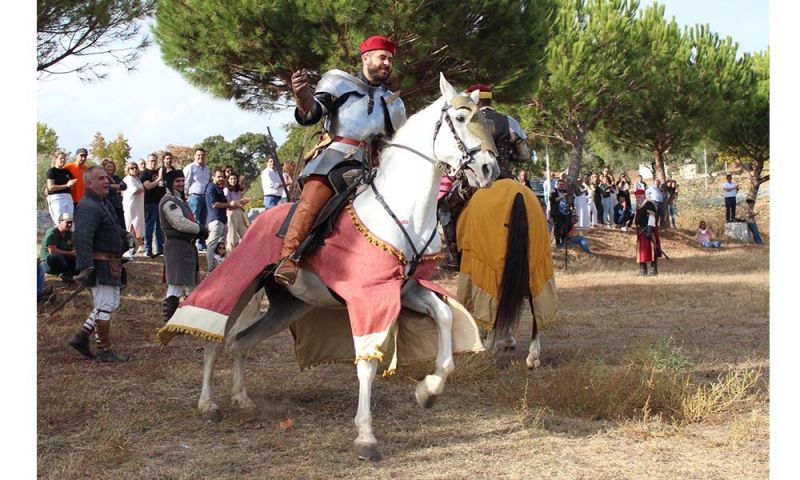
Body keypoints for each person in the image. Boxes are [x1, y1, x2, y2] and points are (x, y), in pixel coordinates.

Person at [275, 35, 406, 286]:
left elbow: (392, 145)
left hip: (370, 167)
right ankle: (289, 258)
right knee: (313, 199)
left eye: (390, 59)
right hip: (334, 159)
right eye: (382, 57)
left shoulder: (394, 103)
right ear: (365, 58)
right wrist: (303, 96)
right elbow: (312, 114)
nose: (387, 63)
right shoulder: (339, 83)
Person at [69, 165, 131, 362]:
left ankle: (80, 337)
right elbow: (83, 238)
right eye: (101, 178)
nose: (107, 181)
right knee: (104, 305)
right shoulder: (87, 206)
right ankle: (104, 351)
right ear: (89, 183)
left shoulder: (103, 203)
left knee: (110, 303)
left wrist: (127, 236)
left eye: (107, 178)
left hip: (110, 262)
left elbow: (112, 229)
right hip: (99, 263)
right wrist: (85, 266)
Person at [159, 169, 208, 323]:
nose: (180, 183)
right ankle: (172, 321)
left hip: (185, 246)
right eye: (177, 181)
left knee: (187, 283)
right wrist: (200, 229)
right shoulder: (169, 202)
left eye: (182, 180)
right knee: (176, 284)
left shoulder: (179, 200)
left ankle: (187, 320)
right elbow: (179, 223)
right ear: (169, 183)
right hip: (176, 246)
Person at [465, 83, 530, 179]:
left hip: (473, 180)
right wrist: (509, 156)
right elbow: (524, 156)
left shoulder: (465, 121)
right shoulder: (510, 121)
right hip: (504, 177)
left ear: (477, 101)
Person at [205, 168, 243, 273]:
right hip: (215, 220)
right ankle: (211, 269)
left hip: (222, 220)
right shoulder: (211, 188)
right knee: (212, 245)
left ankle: (220, 268)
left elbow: (227, 205)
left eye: (222, 177)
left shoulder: (219, 189)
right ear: (213, 177)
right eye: (219, 176)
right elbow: (215, 204)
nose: (221, 178)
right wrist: (230, 204)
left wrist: (238, 203)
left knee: (221, 245)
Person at [183, 148, 211, 252]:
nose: (201, 157)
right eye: (198, 155)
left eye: (203, 155)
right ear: (195, 156)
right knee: (193, 220)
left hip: (205, 197)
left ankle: (201, 243)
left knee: (203, 221)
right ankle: (191, 242)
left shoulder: (207, 168)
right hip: (194, 196)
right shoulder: (191, 167)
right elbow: (186, 182)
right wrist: (185, 195)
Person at [140, 153, 166, 257]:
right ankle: (148, 249)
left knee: (160, 227)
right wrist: (159, 179)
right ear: (148, 161)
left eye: (155, 161)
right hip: (149, 203)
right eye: (151, 161)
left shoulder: (158, 172)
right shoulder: (145, 173)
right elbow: (148, 186)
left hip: (160, 202)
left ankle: (160, 248)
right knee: (149, 227)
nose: (153, 163)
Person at [40, 212, 78, 282]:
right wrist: (70, 253)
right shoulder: (52, 232)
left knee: (78, 260)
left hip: (65, 260)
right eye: (67, 222)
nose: (69, 225)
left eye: (71, 222)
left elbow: (73, 248)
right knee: (56, 257)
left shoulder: (69, 234)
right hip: (48, 263)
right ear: (60, 222)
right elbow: (52, 251)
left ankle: (66, 273)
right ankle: (67, 273)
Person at [633, 188, 661, 276]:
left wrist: (649, 230)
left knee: (651, 250)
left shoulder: (649, 204)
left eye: (639, 196)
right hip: (641, 231)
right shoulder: (639, 206)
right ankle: (643, 270)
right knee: (642, 251)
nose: (638, 198)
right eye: (636, 197)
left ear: (644, 196)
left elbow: (652, 217)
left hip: (649, 229)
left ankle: (653, 270)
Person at [45, 150, 77, 226]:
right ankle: (58, 237)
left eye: (64, 158)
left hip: (68, 197)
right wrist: (66, 185)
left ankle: (68, 237)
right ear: (55, 159)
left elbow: (71, 185)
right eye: (61, 158)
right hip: (56, 198)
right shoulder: (51, 171)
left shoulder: (67, 171)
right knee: (59, 221)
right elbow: (51, 187)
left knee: (69, 221)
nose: (63, 160)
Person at [122, 162, 146, 256]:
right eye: (132, 168)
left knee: (138, 224)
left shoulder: (136, 178)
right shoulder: (128, 179)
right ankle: (130, 247)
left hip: (138, 205)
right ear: (128, 169)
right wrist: (143, 188)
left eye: (135, 168)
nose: (134, 169)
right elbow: (136, 190)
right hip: (130, 205)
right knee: (131, 225)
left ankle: (138, 245)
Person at [224, 172, 250, 251]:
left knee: (246, 235)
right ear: (228, 180)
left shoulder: (237, 190)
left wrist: (243, 202)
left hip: (239, 213)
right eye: (231, 179)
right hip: (231, 214)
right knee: (231, 237)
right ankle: (229, 257)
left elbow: (238, 202)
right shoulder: (226, 190)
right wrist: (240, 203)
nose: (233, 180)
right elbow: (228, 205)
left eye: (235, 178)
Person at [102, 159, 127, 228]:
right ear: (104, 167)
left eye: (111, 166)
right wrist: (116, 186)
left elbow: (124, 186)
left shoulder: (116, 177)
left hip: (118, 205)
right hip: (108, 204)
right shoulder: (103, 178)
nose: (110, 168)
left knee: (121, 225)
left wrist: (112, 186)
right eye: (108, 166)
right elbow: (106, 188)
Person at [550, 179, 571, 247]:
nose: (561, 186)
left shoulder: (566, 191)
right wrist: (562, 196)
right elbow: (552, 200)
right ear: (557, 185)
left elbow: (570, 201)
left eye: (562, 184)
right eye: (560, 184)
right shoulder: (554, 190)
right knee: (557, 228)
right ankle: (558, 243)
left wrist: (570, 200)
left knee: (568, 226)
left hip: (566, 212)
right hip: (557, 212)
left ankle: (563, 239)